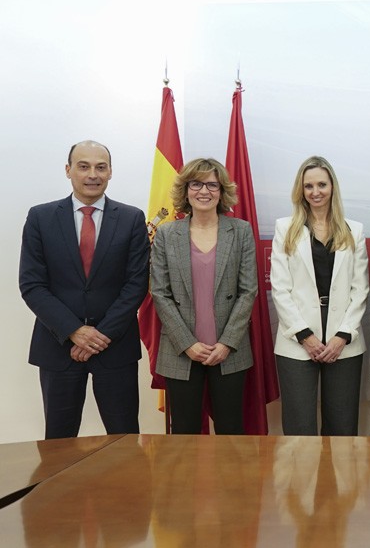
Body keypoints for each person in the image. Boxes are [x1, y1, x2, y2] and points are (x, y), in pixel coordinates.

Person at [19, 140, 150, 439]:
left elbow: (136, 283)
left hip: (115, 347)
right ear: (68, 170)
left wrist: (100, 335)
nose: (93, 174)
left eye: (100, 167)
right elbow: (32, 284)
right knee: (58, 443)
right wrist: (74, 331)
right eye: (84, 166)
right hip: (58, 346)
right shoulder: (40, 217)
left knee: (125, 440)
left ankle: (129, 489)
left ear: (110, 172)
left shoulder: (131, 219)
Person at [150, 158, 258, 434]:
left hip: (228, 350)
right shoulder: (165, 234)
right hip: (181, 350)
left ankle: (230, 481)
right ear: (185, 190)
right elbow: (160, 293)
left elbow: (248, 291)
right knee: (184, 434)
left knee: (231, 432)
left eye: (212, 184)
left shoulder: (241, 231)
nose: (204, 191)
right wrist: (188, 344)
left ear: (222, 192)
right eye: (196, 184)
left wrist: (226, 343)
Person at [270, 156, 369, 435]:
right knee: (299, 428)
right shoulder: (284, 228)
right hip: (297, 340)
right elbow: (280, 288)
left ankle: (337, 482)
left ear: (332, 187)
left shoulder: (354, 230)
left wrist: (343, 335)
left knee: (342, 428)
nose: (316, 192)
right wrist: (305, 335)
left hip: (344, 340)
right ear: (300, 190)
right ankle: (303, 482)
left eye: (322, 184)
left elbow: (360, 289)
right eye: (309, 185)